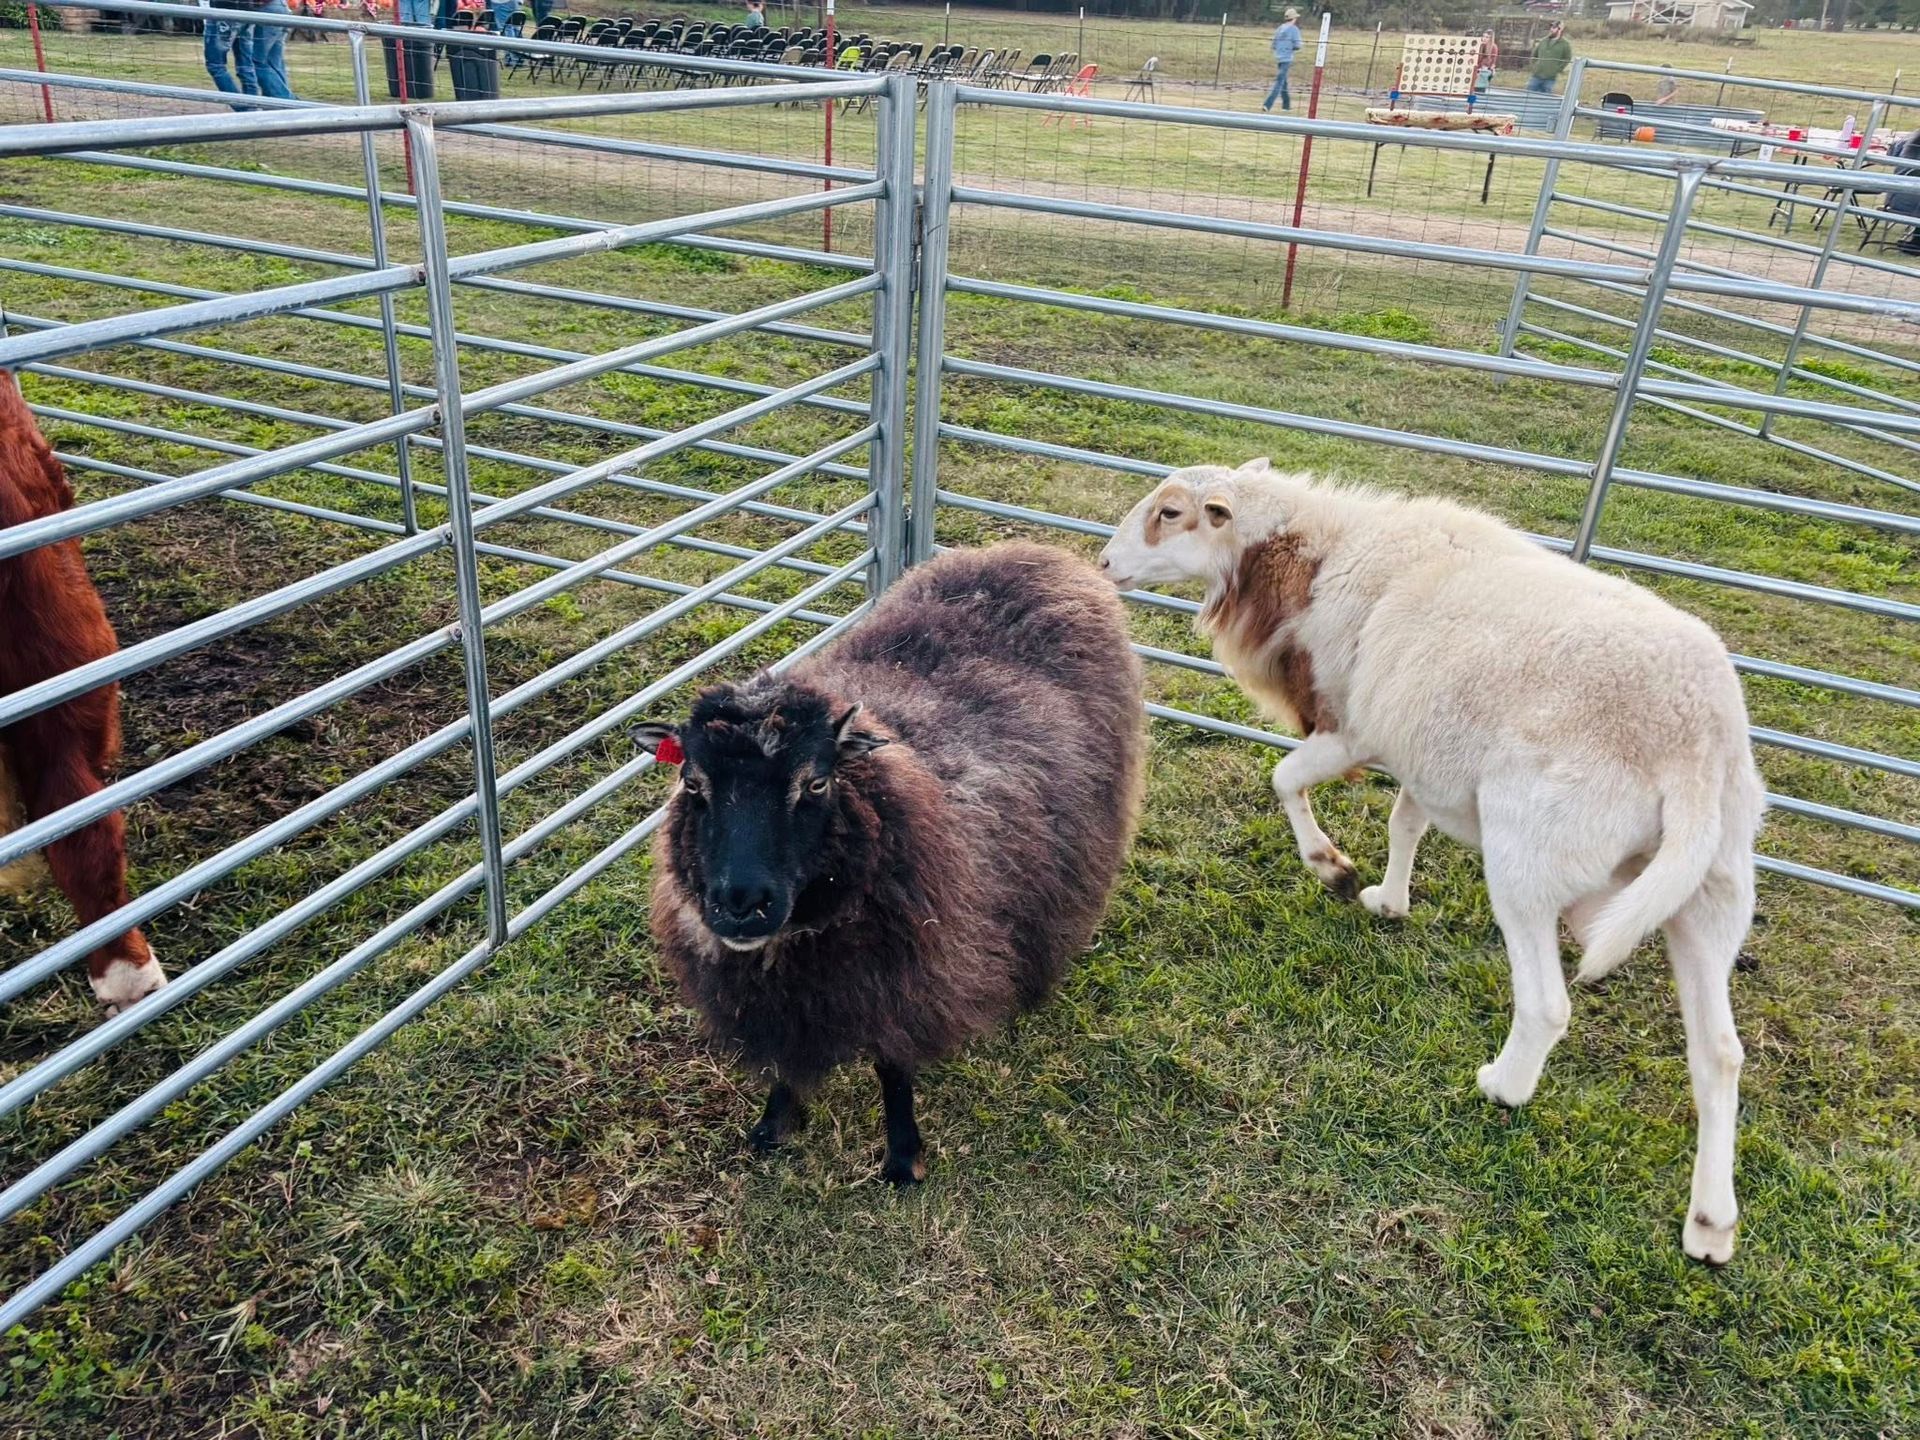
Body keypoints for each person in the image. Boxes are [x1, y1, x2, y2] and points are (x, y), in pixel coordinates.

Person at [1264, 6, 1302, 113]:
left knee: (1283, 81)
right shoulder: (1294, 30)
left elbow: (1274, 44)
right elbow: (1298, 45)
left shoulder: (1280, 28)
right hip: (1287, 58)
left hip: (1279, 57)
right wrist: (1290, 48)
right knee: (1280, 82)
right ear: (1294, 19)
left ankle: (1286, 105)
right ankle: (1268, 104)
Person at [1527, 21, 1571, 96]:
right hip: (1536, 75)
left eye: (1554, 27)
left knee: (1545, 98)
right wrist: (1534, 66)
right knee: (1528, 95)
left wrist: (1557, 69)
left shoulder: (1565, 44)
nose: (1551, 29)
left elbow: (1567, 58)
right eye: (1551, 27)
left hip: (1550, 78)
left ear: (1560, 29)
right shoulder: (1543, 41)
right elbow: (1534, 55)